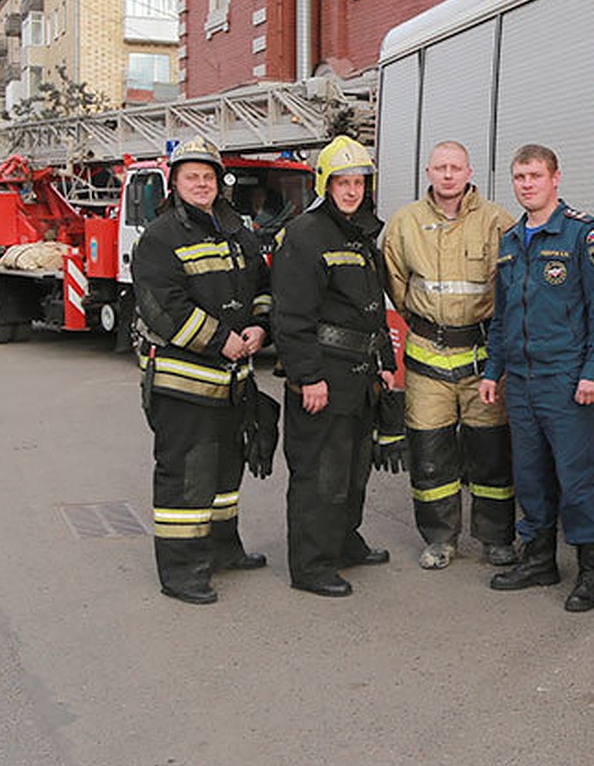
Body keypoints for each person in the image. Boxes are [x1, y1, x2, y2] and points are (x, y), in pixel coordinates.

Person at [479, 144, 594, 612]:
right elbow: (501, 317)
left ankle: (591, 573)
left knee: (575, 477)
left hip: (567, 380)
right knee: (530, 475)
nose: (526, 184)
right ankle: (539, 559)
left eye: (535, 176)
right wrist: (493, 371)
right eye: (520, 177)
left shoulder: (584, 235)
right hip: (520, 381)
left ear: (555, 178)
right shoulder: (510, 241)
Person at [133, 135, 272, 605]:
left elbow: (261, 283)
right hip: (183, 384)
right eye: (191, 176)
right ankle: (182, 572)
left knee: (224, 476)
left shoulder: (237, 229)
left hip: (232, 381)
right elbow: (163, 309)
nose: (201, 183)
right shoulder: (161, 237)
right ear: (174, 182)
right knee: (187, 477)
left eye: (208, 176)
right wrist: (221, 339)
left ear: (220, 182)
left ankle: (222, 550)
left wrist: (258, 326)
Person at [271, 135, 400, 597]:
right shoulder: (306, 235)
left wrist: (385, 362)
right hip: (323, 375)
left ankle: (345, 542)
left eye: (359, 182)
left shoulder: (360, 232)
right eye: (343, 182)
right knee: (319, 474)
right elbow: (290, 316)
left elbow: (371, 306)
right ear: (325, 183)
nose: (351, 190)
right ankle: (310, 565)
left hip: (360, 375)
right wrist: (308, 376)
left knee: (352, 469)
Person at [381, 140, 516, 570]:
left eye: (455, 167)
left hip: (481, 360)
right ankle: (439, 539)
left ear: (468, 171)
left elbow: (510, 291)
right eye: (440, 167)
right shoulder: (405, 223)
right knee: (430, 455)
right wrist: (427, 325)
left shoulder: (497, 222)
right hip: (427, 360)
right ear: (428, 172)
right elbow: (397, 287)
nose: (448, 174)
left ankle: (496, 539)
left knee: (491, 454)